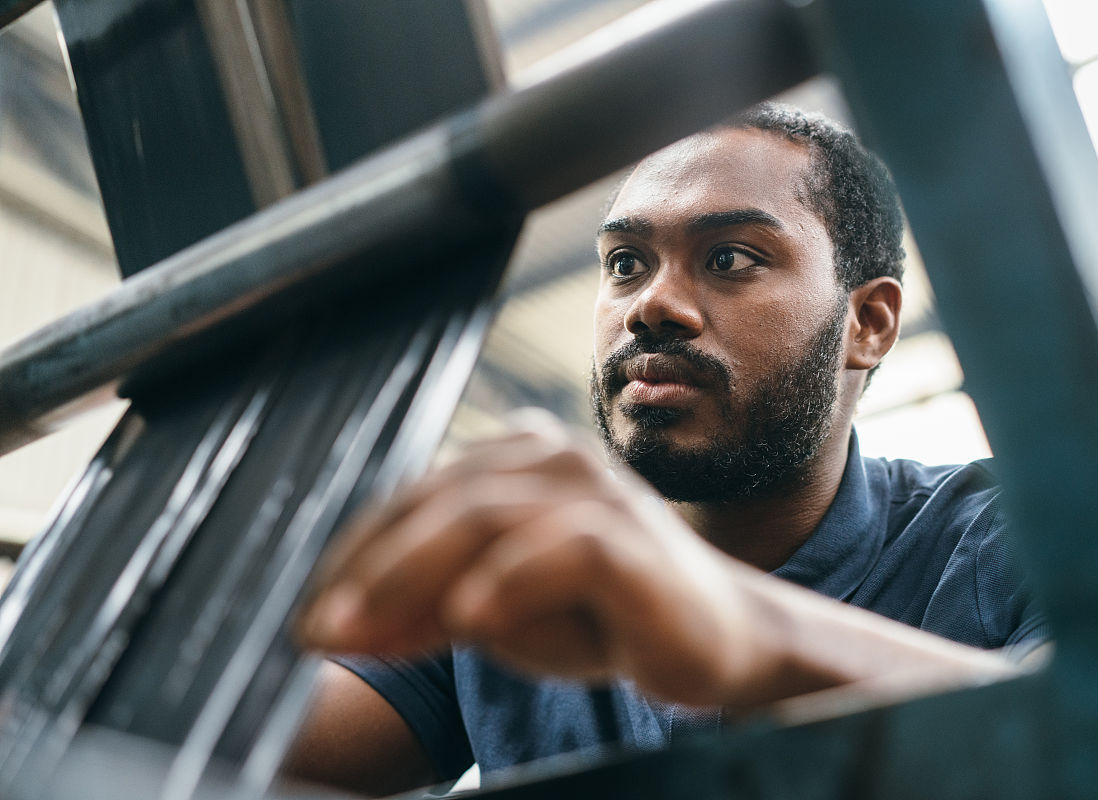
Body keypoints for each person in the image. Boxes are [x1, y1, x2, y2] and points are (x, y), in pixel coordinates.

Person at [287, 104, 1049, 797]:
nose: (651, 305)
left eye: (730, 258)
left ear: (869, 323)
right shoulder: (516, 570)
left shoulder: (1011, 541)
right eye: (626, 262)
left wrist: (744, 632)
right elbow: (242, 754)